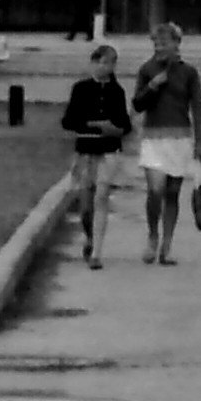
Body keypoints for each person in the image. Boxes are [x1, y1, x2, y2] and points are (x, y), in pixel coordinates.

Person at [131, 21, 201, 265]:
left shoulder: (189, 72)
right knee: (155, 191)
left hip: (180, 137)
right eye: (156, 43)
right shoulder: (146, 70)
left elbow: (197, 108)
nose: (160, 47)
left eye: (165, 43)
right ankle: (152, 236)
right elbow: (137, 103)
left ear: (177, 44)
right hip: (154, 137)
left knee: (173, 193)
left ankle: (167, 244)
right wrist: (153, 85)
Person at [60, 43, 133, 267]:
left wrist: (114, 128)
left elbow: (125, 124)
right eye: (101, 62)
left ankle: (97, 253)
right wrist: (93, 124)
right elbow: (68, 121)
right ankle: (89, 236)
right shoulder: (81, 88)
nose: (105, 67)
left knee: (102, 196)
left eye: (110, 63)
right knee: (85, 203)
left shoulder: (116, 91)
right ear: (93, 63)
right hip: (86, 149)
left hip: (109, 149)